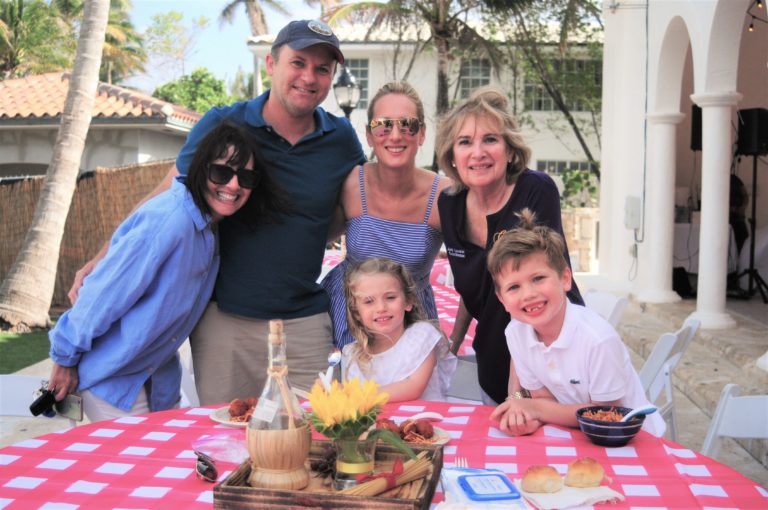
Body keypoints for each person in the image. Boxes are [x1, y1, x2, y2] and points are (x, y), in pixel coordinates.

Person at [68, 20, 365, 401]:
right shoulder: (225, 124)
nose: (309, 77)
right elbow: (163, 201)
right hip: (224, 321)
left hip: (304, 323)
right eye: (298, 62)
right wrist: (102, 259)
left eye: (322, 68)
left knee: (314, 433)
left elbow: (353, 212)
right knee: (224, 432)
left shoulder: (341, 139)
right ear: (271, 64)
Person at [47, 122, 288, 421]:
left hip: (156, 378)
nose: (234, 185)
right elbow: (102, 294)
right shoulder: (170, 221)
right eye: (221, 172)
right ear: (200, 168)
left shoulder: (207, 226)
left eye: (246, 177)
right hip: (113, 379)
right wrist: (64, 357)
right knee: (138, 454)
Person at [436, 86, 583, 405]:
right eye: (465, 142)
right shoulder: (449, 204)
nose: (478, 152)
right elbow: (474, 284)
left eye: (490, 139)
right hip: (493, 363)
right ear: (452, 156)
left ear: (510, 150)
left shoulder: (535, 191)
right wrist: (454, 343)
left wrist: (517, 392)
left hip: (556, 364)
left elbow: (534, 296)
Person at [487, 209, 665, 437]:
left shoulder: (597, 339)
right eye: (514, 287)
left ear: (565, 279)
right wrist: (527, 411)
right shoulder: (516, 333)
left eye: (538, 278)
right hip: (576, 433)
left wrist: (535, 409)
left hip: (629, 439)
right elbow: (541, 398)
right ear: (502, 299)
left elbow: (605, 414)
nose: (528, 294)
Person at [322, 81, 451, 349]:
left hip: (410, 327)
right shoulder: (351, 183)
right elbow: (311, 235)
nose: (395, 135)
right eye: (383, 125)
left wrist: (458, 337)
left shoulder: (444, 196)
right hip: (347, 320)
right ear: (369, 136)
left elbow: (478, 265)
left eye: (407, 125)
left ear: (422, 134)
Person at [341, 257, 457, 401]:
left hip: (424, 415)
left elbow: (413, 387)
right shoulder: (352, 355)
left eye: (390, 297)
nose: (381, 308)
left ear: (408, 301)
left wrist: (353, 394)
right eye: (369, 301)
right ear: (357, 312)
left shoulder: (421, 336)